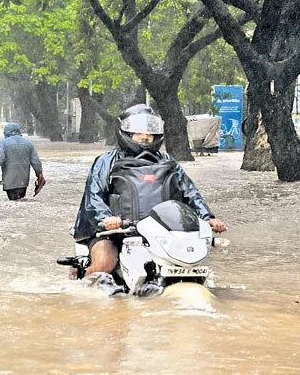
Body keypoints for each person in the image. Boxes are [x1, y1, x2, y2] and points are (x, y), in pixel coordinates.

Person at [73, 104, 226, 276]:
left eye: (149, 133)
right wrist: (106, 218)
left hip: (161, 233)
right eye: (139, 133)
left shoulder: (168, 161)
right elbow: (93, 197)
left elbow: (190, 192)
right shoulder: (106, 161)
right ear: (127, 133)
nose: (145, 137)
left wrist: (208, 218)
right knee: (104, 264)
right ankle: (83, 289)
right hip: (113, 232)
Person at [0, 122, 44, 201]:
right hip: (23, 180)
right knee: (20, 199)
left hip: (10, 180)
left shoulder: (3, 143)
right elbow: (36, 162)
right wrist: (39, 174)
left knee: (13, 201)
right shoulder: (29, 144)